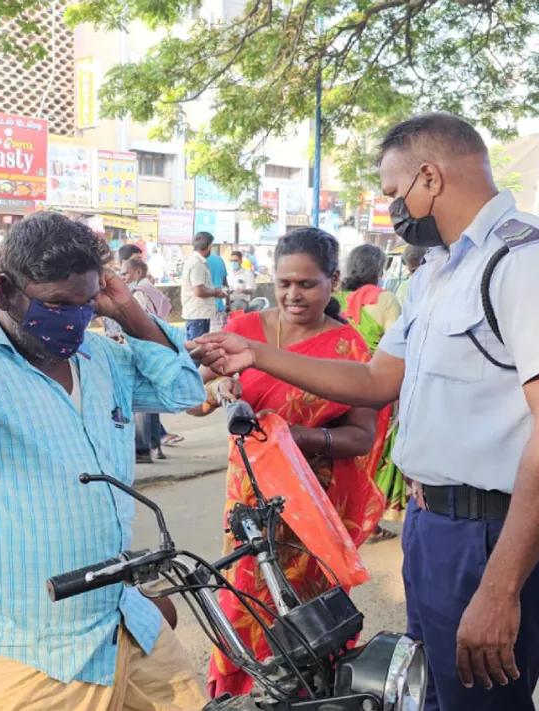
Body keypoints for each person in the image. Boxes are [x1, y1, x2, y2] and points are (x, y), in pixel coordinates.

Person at [192, 113, 539, 711]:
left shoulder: (527, 260)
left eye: (392, 194)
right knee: (425, 695)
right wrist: (257, 354)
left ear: (429, 178)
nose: (391, 212)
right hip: (434, 526)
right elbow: (377, 380)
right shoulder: (438, 272)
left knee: (480, 703)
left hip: (493, 533)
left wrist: (501, 586)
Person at [0, 211, 206, 710]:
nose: (74, 319)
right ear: (2, 289)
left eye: (84, 304)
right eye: (56, 304)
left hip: (118, 620)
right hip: (22, 646)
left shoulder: (101, 358)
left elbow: (183, 388)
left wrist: (128, 312)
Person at [190, 228, 383, 695]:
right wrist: (218, 389)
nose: (293, 294)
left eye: (307, 284)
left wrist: (298, 437)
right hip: (249, 500)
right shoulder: (243, 331)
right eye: (284, 283)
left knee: (306, 611)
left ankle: (307, 698)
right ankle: (239, 695)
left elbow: (362, 436)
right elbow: (195, 401)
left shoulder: (348, 350)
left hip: (312, 503)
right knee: (244, 600)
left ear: (332, 281)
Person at [338, 244, 405, 540]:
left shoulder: (334, 297)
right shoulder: (387, 300)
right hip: (374, 389)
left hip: (332, 384)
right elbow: (399, 350)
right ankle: (364, 522)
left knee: (338, 456)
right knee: (371, 456)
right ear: (378, 269)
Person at [123, 257, 173, 463]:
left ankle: (143, 448)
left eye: (125, 274)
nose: (123, 278)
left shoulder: (140, 294)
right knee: (152, 400)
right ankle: (154, 446)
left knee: (141, 402)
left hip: (145, 349)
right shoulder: (153, 291)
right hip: (158, 347)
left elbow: (139, 323)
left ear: (138, 273)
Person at [181, 231, 226, 339]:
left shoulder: (197, 261)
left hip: (200, 313)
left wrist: (214, 290)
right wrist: (216, 292)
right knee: (197, 348)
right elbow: (198, 291)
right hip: (198, 314)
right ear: (209, 246)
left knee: (198, 348)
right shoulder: (197, 263)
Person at [206, 244, 228, 329]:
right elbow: (225, 284)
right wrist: (228, 303)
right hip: (219, 307)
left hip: (202, 310)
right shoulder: (219, 260)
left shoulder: (197, 261)